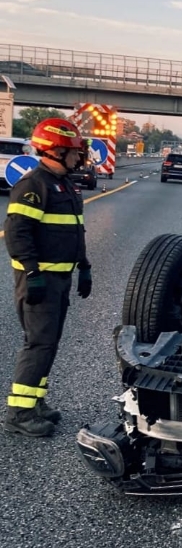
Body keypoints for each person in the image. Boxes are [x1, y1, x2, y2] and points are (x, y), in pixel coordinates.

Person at [3, 117, 92, 438]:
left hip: (61, 279)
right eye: (73, 151)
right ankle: (19, 413)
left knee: (49, 343)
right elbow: (17, 233)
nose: (78, 157)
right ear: (55, 150)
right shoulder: (34, 184)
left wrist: (84, 266)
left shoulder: (64, 184)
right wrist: (31, 272)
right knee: (38, 344)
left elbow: (74, 231)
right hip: (39, 280)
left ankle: (35, 402)